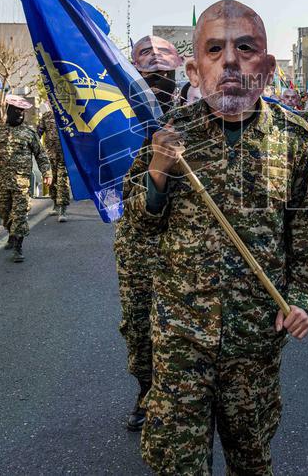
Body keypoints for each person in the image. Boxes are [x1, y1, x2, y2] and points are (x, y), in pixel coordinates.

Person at [124, 0, 308, 474]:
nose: (231, 62)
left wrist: (306, 302)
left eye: (246, 48)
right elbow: (137, 226)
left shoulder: (293, 138)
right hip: (181, 337)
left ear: (268, 68)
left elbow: (307, 236)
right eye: (215, 50)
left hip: (255, 341)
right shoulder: (171, 135)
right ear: (194, 71)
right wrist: (158, 171)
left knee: (251, 458)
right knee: (177, 462)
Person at [112, 34, 185, 431]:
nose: (158, 83)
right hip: (137, 246)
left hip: (184, 246)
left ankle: (178, 401)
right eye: (149, 76)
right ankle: (146, 393)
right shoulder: (116, 119)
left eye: (164, 75)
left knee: (182, 332)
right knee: (139, 328)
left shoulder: (194, 119)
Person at [0, 96, 52, 262]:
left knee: (19, 214)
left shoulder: (29, 133)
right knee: (3, 211)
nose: (20, 114)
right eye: (17, 111)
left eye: (22, 112)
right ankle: (11, 233)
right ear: (8, 111)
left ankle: (18, 246)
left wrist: (47, 173)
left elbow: (41, 155)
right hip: (2, 182)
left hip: (21, 183)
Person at [36, 103, 71, 223]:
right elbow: (38, 133)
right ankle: (55, 203)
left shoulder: (67, 115)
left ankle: (63, 209)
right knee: (52, 181)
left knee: (63, 182)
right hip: (50, 155)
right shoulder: (46, 117)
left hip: (64, 156)